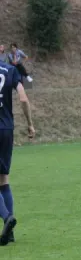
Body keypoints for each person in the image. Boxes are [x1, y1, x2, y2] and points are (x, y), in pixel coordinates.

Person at [0, 62, 35, 246]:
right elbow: (23, 98)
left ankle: (7, 217)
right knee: (3, 179)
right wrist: (30, 123)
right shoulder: (10, 70)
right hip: (6, 129)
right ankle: (10, 233)